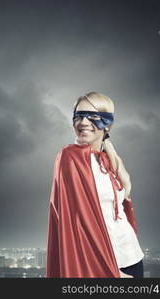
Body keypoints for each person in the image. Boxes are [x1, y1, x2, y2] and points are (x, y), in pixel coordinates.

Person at [46, 92, 144, 278]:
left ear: (107, 124)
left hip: (132, 257)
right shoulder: (69, 158)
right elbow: (78, 222)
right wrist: (112, 272)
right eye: (78, 116)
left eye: (92, 116)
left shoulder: (110, 161)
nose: (83, 122)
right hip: (102, 266)